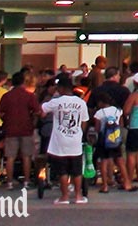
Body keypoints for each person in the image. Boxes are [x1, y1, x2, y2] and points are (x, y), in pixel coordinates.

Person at [41, 73, 89, 205]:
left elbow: (42, 111)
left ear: (60, 88)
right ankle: (78, 196)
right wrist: (79, 132)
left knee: (62, 171)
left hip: (59, 141)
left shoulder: (56, 102)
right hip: (75, 140)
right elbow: (84, 121)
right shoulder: (81, 103)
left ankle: (65, 197)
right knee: (77, 171)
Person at [0, 70, 42, 189]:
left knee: (10, 157)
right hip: (26, 129)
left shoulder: (6, 96)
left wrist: (7, 120)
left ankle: (10, 182)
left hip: (10, 130)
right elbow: (38, 111)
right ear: (23, 82)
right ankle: (27, 182)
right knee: (26, 156)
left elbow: (0, 112)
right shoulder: (29, 96)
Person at [91, 92, 132, 193]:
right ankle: (127, 183)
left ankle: (105, 185)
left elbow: (97, 128)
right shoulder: (117, 110)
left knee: (104, 162)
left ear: (100, 102)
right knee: (120, 161)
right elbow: (121, 124)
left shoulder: (99, 113)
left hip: (104, 140)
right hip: (115, 139)